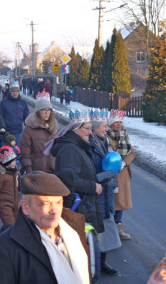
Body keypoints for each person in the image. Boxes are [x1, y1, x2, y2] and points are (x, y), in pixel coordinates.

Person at [49, 110, 104, 236]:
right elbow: (68, 180)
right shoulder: (70, 150)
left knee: (91, 247)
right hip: (78, 209)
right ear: (75, 129)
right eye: (87, 128)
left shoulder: (78, 146)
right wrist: (93, 186)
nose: (91, 132)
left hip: (85, 207)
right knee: (84, 249)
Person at [90, 113, 120, 275]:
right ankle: (94, 265)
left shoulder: (104, 143)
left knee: (106, 229)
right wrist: (106, 175)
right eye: (103, 126)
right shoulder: (90, 146)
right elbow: (91, 172)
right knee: (97, 231)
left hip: (106, 191)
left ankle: (102, 262)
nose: (106, 129)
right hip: (97, 192)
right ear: (95, 129)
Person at [107, 110, 135, 240]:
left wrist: (123, 163)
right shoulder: (106, 136)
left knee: (121, 202)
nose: (119, 125)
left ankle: (118, 227)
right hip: (109, 173)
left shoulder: (125, 135)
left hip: (122, 173)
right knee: (110, 201)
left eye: (120, 122)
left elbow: (132, 152)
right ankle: (108, 227)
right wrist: (113, 165)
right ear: (111, 123)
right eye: (116, 122)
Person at [20, 92, 58, 173]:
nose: (47, 112)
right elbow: (25, 153)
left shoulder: (54, 127)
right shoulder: (29, 129)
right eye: (43, 110)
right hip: (37, 170)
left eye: (48, 110)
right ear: (38, 111)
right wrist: (29, 170)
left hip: (53, 171)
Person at [0, 146, 21, 229]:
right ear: (6, 163)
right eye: (11, 161)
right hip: (5, 206)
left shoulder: (16, 173)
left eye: (14, 160)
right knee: (10, 227)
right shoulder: (0, 176)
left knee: (11, 227)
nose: (14, 162)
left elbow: (20, 187)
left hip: (15, 205)